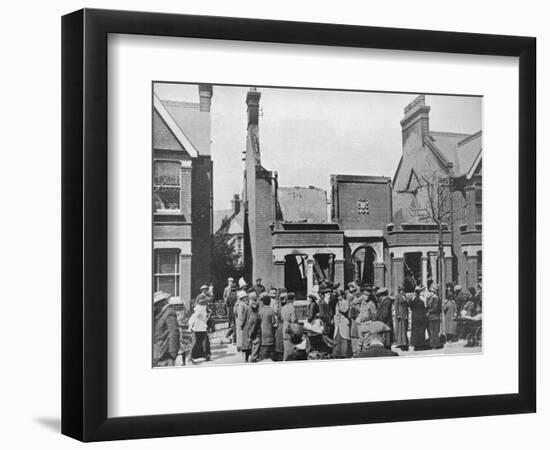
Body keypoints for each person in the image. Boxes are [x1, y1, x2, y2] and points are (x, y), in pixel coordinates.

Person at [153, 291, 181, 367]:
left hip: (165, 355)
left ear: (161, 303)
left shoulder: (169, 312)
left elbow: (174, 333)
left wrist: (172, 354)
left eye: (155, 304)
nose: (154, 306)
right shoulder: (160, 313)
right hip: (158, 352)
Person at [188, 295, 211, 363]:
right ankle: (191, 357)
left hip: (200, 327)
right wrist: (190, 326)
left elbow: (203, 318)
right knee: (199, 342)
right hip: (199, 328)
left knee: (198, 343)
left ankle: (203, 355)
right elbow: (193, 317)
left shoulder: (202, 308)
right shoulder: (200, 308)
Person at [333, 290, 352, 358]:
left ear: (343, 296)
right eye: (338, 296)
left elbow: (345, 310)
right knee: (337, 337)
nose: (339, 297)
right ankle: (338, 353)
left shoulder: (346, 302)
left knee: (344, 338)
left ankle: (345, 354)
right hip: (338, 322)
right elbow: (336, 313)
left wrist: (340, 306)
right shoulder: (337, 303)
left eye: (340, 296)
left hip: (344, 321)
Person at [258, 293, 277, 360]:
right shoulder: (271, 311)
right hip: (270, 332)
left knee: (263, 349)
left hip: (263, 332)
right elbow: (273, 322)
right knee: (271, 349)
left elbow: (259, 321)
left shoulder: (260, 311)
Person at [244, 293, 261, 362]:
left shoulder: (248, 308)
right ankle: (253, 358)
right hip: (255, 331)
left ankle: (250, 358)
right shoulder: (256, 313)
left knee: (251, 345)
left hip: (251, 330)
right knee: (255, 345)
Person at [281, 292, 298, 361]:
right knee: (290, 350)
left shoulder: (284, 307)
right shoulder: (292, 308)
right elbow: (293, 320)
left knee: (286, 349)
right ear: (293, 299)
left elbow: (282, 318)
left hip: (284, 326)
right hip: (290, 328)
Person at [426, 283, 443, 349]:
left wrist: (428, 311)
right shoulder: (431, 298)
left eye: (431, 291)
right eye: (430, 291)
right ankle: (433, 344)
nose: (430, 293)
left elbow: (435, 308)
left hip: (434, 316)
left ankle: (435, 345)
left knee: (434, 332)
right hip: (432, 317)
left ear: (434, 292)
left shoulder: (435, 298)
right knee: (432, 331)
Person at [273, 289, 287, 361]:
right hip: (282, 326)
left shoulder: (278, 306)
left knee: (279, 344)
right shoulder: (283, 308)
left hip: (279, 326)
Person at [394, 285, 409, 351]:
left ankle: (404, 342)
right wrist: (398, 314)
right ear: (399, 291)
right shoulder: (397, 296)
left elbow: (406, 305)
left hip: (405, 312)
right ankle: (401, 343)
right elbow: (396, 306)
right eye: (401, 290)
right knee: (400, 329)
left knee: (404, 328)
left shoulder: (405, 296)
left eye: (403, 290)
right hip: (400, 313)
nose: (402, 291)